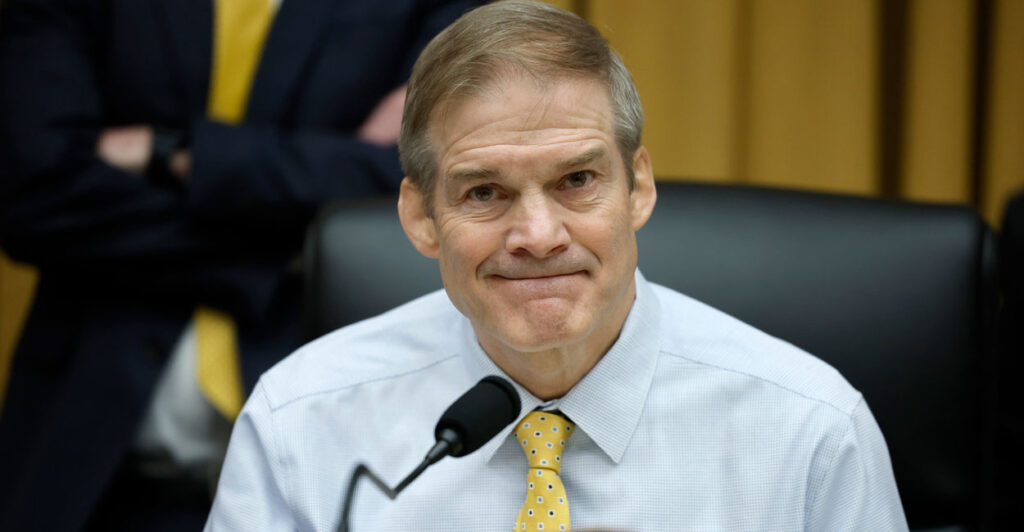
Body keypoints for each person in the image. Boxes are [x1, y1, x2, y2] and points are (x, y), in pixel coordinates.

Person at [206, 1, 909, 530]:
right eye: (485, 192)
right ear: (420, 218)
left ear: (639, 188)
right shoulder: (301, 422)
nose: (538, 236)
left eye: (577, 181)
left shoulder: (811, 430)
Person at [0, 0, 480, 530]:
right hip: (91, 462)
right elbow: (32, 190)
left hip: (326, 479)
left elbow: (424, 177)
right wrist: (282, 248)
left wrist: (171, 151)